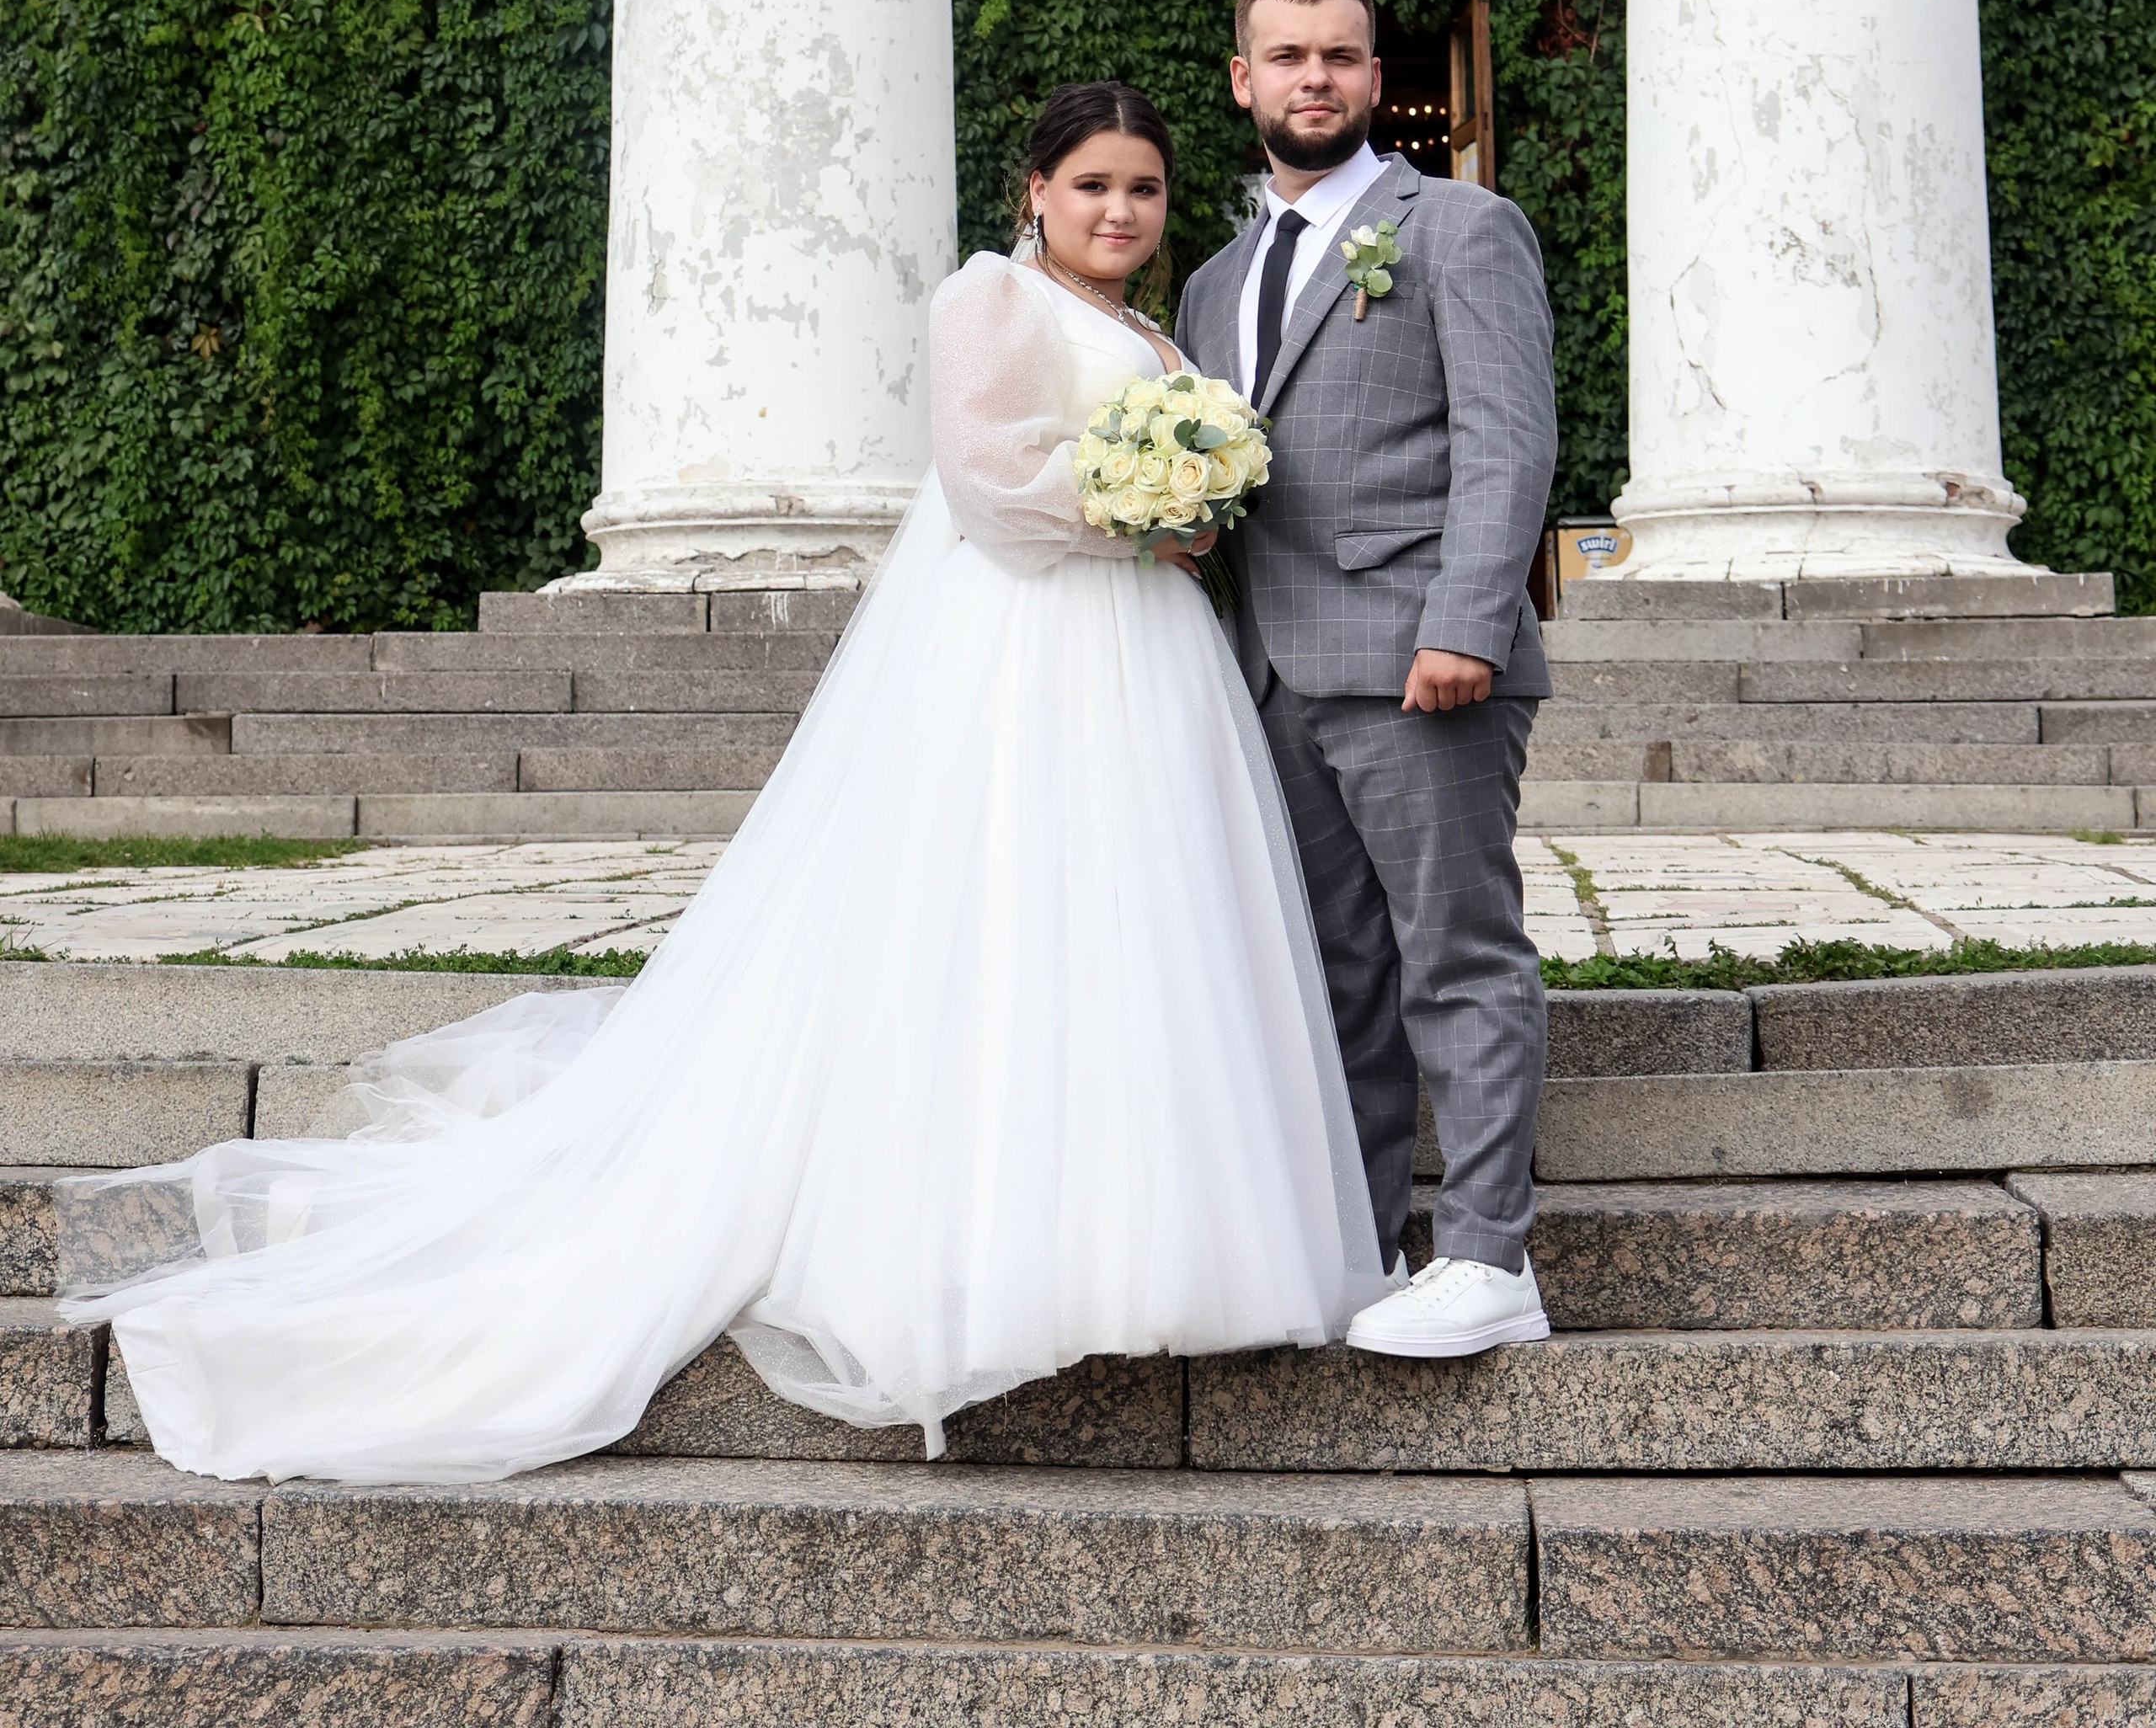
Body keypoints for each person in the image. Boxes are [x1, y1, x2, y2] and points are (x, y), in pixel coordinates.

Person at [58, 81, 1386, 1484]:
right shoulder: (988, 299)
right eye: (1093, 186)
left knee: (1139, 923)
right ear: (1034, 193)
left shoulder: (1143, 331)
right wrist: (1142, 514)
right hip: (1029, 653)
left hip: (1147, 660)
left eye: (1145, 191)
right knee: (1009, 904)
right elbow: (993, 482)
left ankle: (1152, 1231)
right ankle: (988, 1248)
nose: (1120, 212)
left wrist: (1190, 510)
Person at [1177, 0, 1560, 1358]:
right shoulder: (1216, 282)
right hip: (1277, 675)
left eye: (1341, 56)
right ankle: (1360, 1240)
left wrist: (1466, 621)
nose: (1317, 79)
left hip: (1420, 663)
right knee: (1337, 969)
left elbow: (1508, 437)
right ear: (1245, 79)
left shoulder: (1457, 226)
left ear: (1373, 75)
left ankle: (1488, 1257)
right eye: (1288, 58)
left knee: (1454, 952)